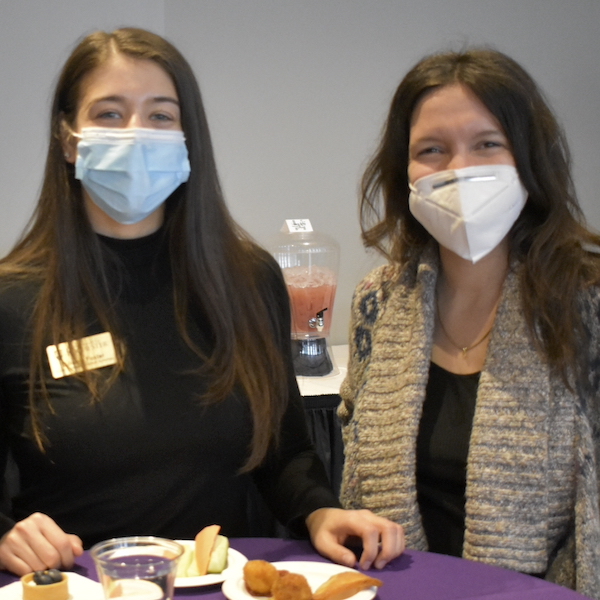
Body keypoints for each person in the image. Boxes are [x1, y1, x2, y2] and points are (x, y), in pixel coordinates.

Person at [0, 27, 404, 577]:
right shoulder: (13, 297)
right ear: (69, 139)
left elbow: (284, 453)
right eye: (110, 115)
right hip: (79, 587)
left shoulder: (246, 278)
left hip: (225, 586)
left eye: (160, 116)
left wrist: (319, 510)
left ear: (189, 138)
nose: (136, 134)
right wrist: (7, 535)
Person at [338, 47, 600, 598]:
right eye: (432, 150)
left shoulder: (587, 302)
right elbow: (357, 486)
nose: (460, 170)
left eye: (487, 144)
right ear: (404, 171)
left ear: (528, 158)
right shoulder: (377, 303)